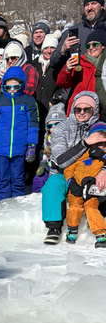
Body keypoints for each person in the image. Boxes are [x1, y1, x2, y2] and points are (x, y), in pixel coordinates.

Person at [41, 92, 105, 243]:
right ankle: (54, 227)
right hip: (64, 173)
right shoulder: (61, 129)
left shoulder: (101, 128)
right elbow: (61, 160)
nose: (82, 113)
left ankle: (99, 223)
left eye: (87, 109)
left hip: (94, 171)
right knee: (53, 184)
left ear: (94, 110)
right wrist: (85, 143)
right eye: (78, 109)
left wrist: (104, 171)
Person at [0, 67, 39, 201]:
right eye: (8, 87)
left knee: (18, 179)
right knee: (2, 179)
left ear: (22, 85)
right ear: (4, 86)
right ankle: (3, 205)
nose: (12, 90)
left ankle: (16, 207)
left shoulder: (28, 101)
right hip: (1, 149)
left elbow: (33, 125)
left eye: (16, 86)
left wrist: (32, 145)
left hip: (19, 149)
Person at [63, 121, 106, 247]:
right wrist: (71, 182)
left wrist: (103, 156)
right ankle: (72, 229)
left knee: (91, 208)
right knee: (74, 208)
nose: (100, 145)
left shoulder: (103, 156)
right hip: (76, 187)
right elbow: (68, 169)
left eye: (103, 142)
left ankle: (100, 234)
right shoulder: (82, 154)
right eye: (97, 142)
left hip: (92, 190)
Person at [56, 29, 106, 115]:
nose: (91, 48)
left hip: (100, 112)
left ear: (103, 46)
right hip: (79, 111)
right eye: (88, 46)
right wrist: (67, 70)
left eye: (95, 44)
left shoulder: (104, 64)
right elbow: (62, 83)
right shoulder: (80, 62)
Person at [51, 0, 106, 67]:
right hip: (82, 76)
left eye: (93, 3)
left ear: (101, 6)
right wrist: (62, 50)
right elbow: (53, 62)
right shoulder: (73, 31)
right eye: (86, 5)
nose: (90, 8)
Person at [32, 104, 66, 193]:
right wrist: (43, 163)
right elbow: (44, 152)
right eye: (50, 126)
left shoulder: (68, 136)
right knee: (39, 179)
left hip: (63, 167)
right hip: (49, 165)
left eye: (58, 124)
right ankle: (37, 196)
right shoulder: (48, 137)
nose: (54, 128)